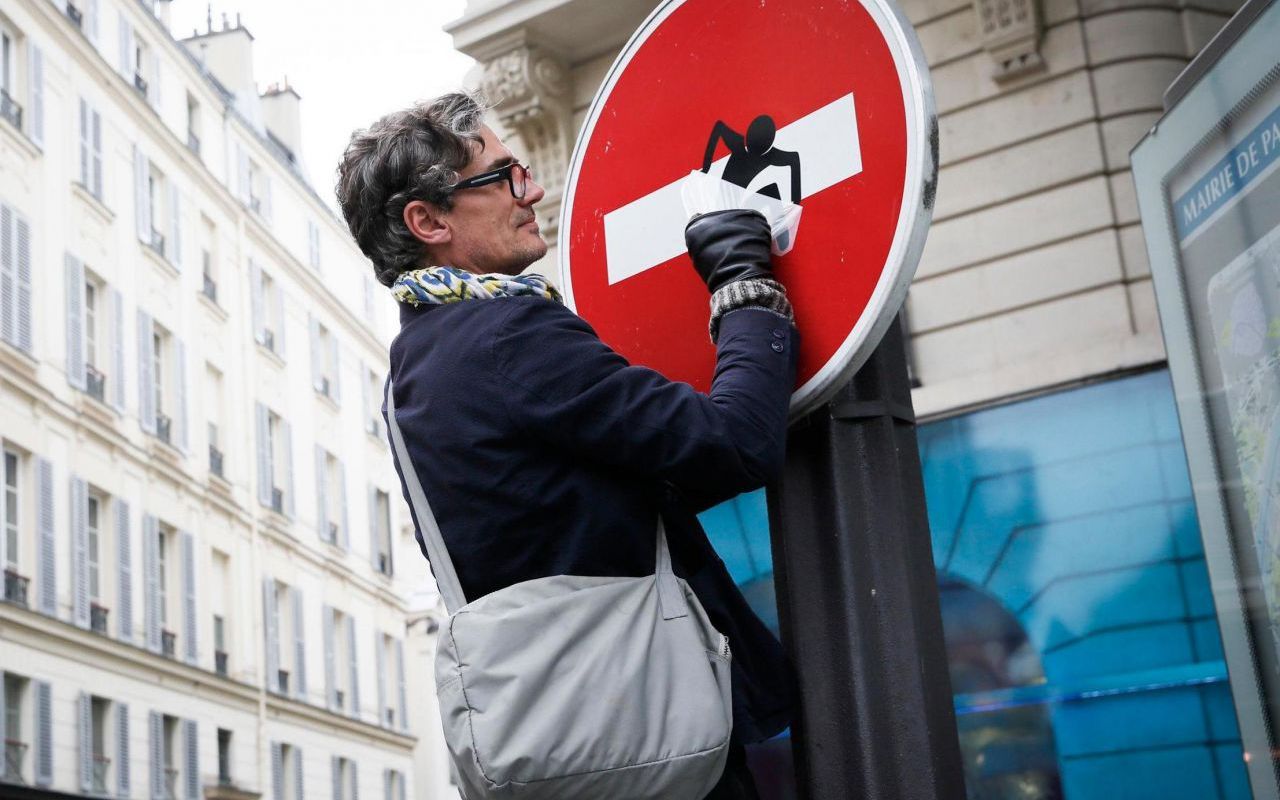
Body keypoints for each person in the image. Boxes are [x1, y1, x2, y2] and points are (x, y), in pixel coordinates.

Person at [336, 92, 799, 800]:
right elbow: (736, 444)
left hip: (567, 745)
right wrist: (745, 280)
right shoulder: (507, 337)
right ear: (426, 221)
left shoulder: (414, 371)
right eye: (501, 177)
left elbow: (584, 503)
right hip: (653, 730)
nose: (533, 190)